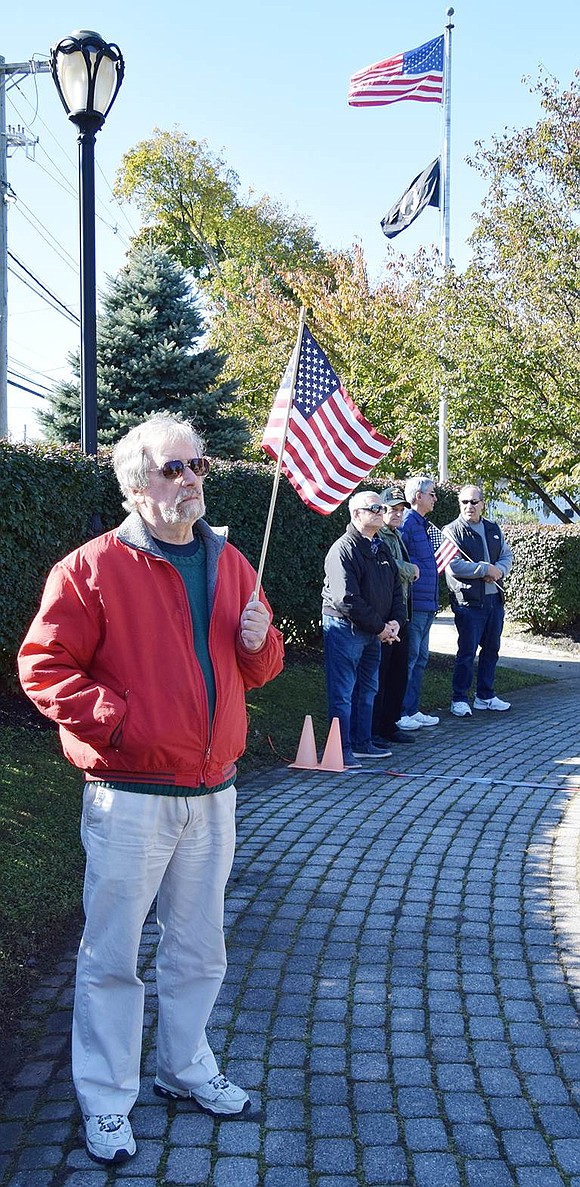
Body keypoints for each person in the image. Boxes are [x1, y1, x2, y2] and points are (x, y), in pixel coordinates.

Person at [17, 412, 284, 1165]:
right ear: (136, 483)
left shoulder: (231, 562)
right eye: (176, 468)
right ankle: (106, 1097)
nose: (193, 479)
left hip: (214, 790)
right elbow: (43, 667)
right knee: (112, 954)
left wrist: (262, 642)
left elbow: (257, 668)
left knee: (200, 947)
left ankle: (185, 1066)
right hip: (130, 794)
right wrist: (120, 721)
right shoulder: (89, 569)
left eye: (199, 465)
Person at [322, 490, 405, 767]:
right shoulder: (343, 549)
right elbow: (346, 599)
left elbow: (395, 587)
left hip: (375, 631)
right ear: (356, 514)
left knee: (368, 689)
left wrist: (395, 621)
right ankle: (340, 749)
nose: (381, 512)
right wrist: (381, 626)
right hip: (346, 629)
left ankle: (361, 743)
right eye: (375, 508)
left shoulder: (379, 546)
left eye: (382, 508)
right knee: (343, 692)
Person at [443, 484, 513, 716]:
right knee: (467, 652)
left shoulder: (493, 528)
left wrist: (499, 571)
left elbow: (506, 555)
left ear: (483, 504)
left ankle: (485, 696)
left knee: (492, 649)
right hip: (469, 603)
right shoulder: (452, 530)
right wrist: (484, 569)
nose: (469, 506)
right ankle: (459, 698)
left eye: (473, 502)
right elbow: (453, 566)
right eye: (464, 502)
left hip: (494, 601)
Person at [371, 487, 419, 746]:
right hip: (386, 612)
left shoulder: (396, 535)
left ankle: (390, 724)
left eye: (401, 510)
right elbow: (388, 565)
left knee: (398, 672)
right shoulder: (378, 536)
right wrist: (409, 569)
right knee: (382, 672)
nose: (398, 514)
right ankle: (375, 728)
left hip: (401, 612)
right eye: (393, 509)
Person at [396, 476, 440, 731]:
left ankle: (412, 709)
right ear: (418, 496)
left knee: (421, 657)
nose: (435, 498)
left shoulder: (422, 524)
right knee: (411, 657)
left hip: (428, 602)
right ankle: (401, 712)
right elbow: (401, 559)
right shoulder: (408, 522)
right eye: (431, 494)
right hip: (416, 603)